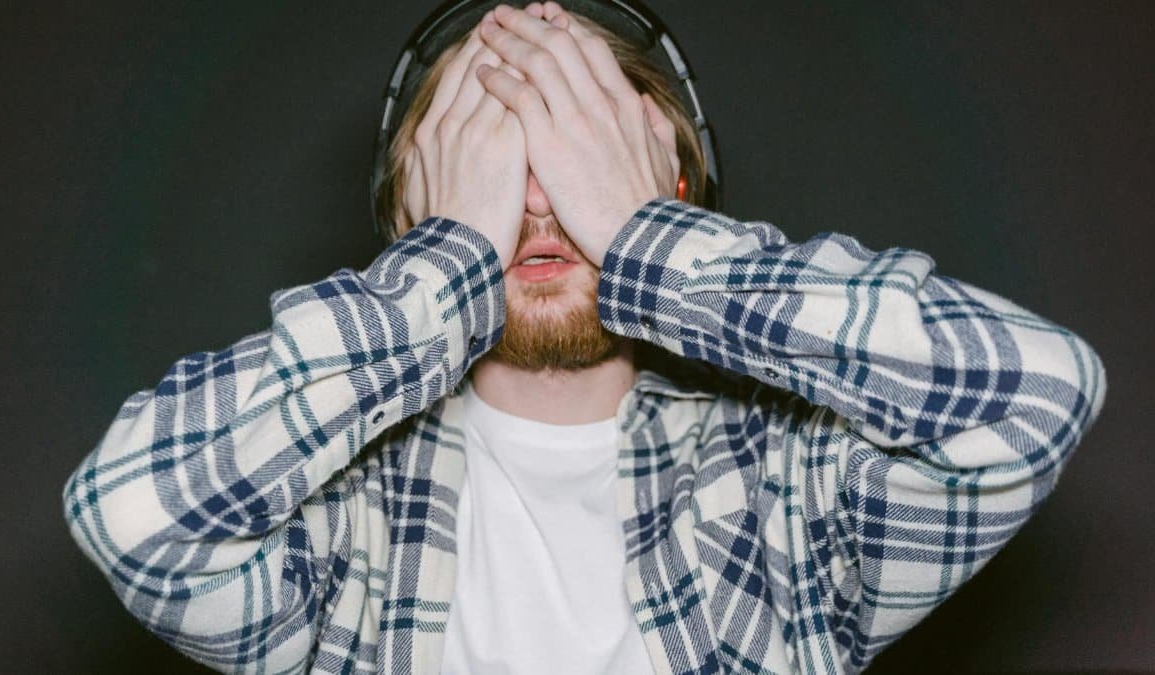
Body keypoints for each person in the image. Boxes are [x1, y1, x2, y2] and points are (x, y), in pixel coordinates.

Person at [61, 2, 1107, 673]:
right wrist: (445, 267)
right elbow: (132, 517)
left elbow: (1036, 398)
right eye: (490, 155)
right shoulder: (342, 517)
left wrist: (648, 238)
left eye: (576, 150)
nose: (540, 205)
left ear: (664, 186)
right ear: (421, 209)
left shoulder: (789, 487)